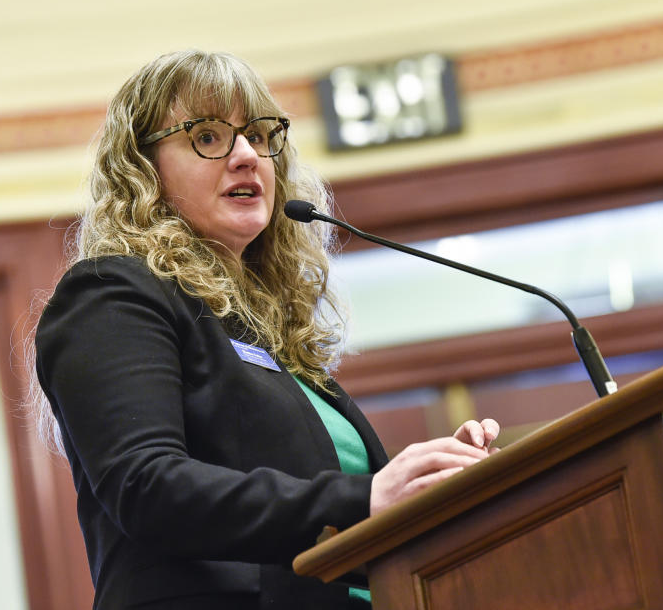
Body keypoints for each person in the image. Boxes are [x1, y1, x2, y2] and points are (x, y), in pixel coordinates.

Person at [32, 49, 499, 610]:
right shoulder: (112, 294)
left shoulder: (265, 331)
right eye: (207, 136)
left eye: (258, 134)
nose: (247, 156)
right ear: (144, 169)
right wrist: (363, 497)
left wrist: (436, 481)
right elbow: (147, 487)